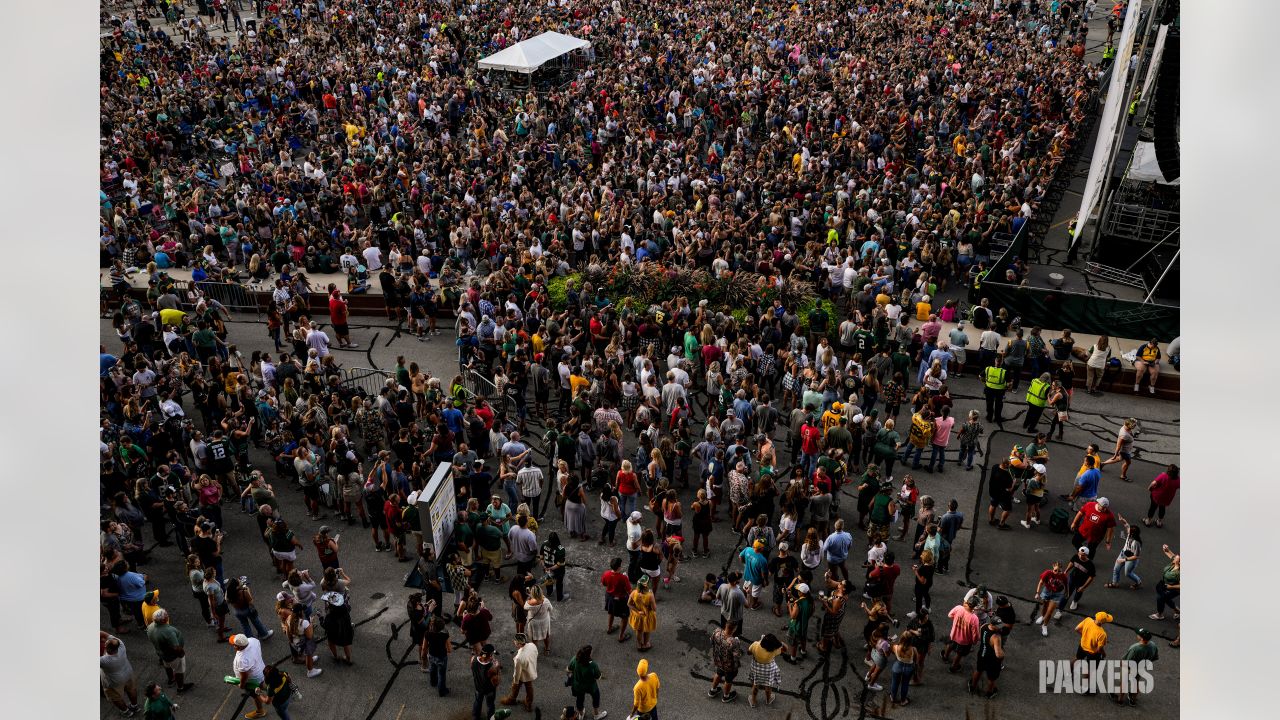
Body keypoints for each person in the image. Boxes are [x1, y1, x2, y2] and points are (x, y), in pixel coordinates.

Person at [145, 609, 194, 693]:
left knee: (167, 666)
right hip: (173, 656)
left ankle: (171, 680)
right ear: (164, 620)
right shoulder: (168, 631)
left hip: (162, 653)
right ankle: (181, 688)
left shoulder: (150, 627)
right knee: (179, 671)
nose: (168, 615)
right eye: (166, 615)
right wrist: (181, 654)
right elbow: (176, 647)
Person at [1113, 628, 1159, 706]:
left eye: (1138, 634)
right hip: (1141, 668)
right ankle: (1133, 700)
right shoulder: (1153, 645)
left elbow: (1127, 661)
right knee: (1136, 683)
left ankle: (1120, 700)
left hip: (1130, 668)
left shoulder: (1135, 648)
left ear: (1141, 637)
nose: (1137, 634)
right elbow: (1155, 657)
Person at [101, 632, 140, 717]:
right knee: (132, 689)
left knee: (115, 697)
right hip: (128, 673)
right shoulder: (121, 645)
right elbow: (107, 636)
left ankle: (126, 712)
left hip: (114, 681)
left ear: (106, 647)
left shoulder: (104, 660)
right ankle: (135, 706)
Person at [231, 634, 270, 719]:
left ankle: (260, 711)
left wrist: (242, 685)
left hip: (252, 680)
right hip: (260, 671)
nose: (233, 646)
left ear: (238, 647)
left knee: (255, 695)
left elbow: (244, 676)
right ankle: (280, 693)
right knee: (265, 685)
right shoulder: (253, 641)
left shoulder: (242, 659)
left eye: (234, 645)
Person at [968, 616, 1005, 699]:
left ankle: (972, 686)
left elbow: (980, 638)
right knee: (992, 678)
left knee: (979, 670)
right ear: (992, 624)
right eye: (998, 626)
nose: (1000, 628)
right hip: (992, 660)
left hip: (982, 653)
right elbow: (998, 654)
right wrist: (1003, 654)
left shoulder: (984, 626)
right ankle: (989, 693)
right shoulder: (996, 637)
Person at [1073, 611, 1114, 685]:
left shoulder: (1088, 620)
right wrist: (1104, 654)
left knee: (1077, 659)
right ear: (1103, 622)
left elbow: (1076, 629)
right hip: (1092, 653)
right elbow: (1099, 649)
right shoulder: (1102, 633)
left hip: (1082, 646)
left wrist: (1086, 636)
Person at [566, 645, 607, 720]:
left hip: (578, 686)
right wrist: (602, 676)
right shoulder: (592, 665)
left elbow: (568, 669)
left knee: (579, 699)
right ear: (588, 655)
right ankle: (596, 714)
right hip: (591, 686)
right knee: (596, 697)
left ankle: (581, 714)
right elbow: (598, 676)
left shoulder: (575, 659)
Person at [500, 633, 539, 711]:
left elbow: (517, 672)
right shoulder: (532, 645)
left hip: (523, 674)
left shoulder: (519, 658)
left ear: (519, 643)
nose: (513, 642)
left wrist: (515, 681)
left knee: (515, 686)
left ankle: (511, 699)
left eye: (515, 641)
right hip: (531, 670)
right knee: (529, 687)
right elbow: (536, 654)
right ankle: (528, 703)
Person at [941, 598, 980, 673]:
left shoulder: (959, 608)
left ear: (967, 602)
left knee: (950, 645)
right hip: (964, 641)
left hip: (954, 634)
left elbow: (950, 615)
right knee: (959, 654)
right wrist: (974, 642)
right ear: (975, 606)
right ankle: (953, 667)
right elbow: (975, 634)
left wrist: (956, 620)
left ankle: (945, 657)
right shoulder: (974, 618)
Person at [707, 623, 743, 703]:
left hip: (719, 661)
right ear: (734, 629)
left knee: (719, 673)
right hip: (729, 666)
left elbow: (711, 642)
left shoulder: (716, 632)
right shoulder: (734, 642)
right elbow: (737, 656)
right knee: (728, 680)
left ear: (726, 625)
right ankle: (726, 696)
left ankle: (713, 690)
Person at [747, 633, 785, 708]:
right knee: (768, 686)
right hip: (768, 671)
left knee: (755, 685)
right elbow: (785, 649)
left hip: (757, 669)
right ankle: (768, 699)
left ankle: (753, 701)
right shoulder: (775, 650)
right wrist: (782, 643)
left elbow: (748, 652)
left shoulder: (755, 644)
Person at [1148, 544, 1181, 621]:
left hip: (1173, 589)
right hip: (1165, 585)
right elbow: (1169, 553)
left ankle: (1160, 614)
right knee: (1165, 598)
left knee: (1160, 598)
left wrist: (1170, 587)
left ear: (1179, 561)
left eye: (1177, 557)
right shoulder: (1174, 563)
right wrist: (1166, 549)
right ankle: (1177, 611)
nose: (1175, 556)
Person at [471, 644, 502, 720]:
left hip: (478, 687)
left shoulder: (473, 659)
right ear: (491, 655)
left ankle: (475, 716)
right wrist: (497, 669)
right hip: (489, 690)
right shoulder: (492, 668)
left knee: (478, 702)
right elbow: (496, 683)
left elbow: (473, 669)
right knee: (490, 705)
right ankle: (490, 718)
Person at [628, 575, 658, 651]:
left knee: (639, 630)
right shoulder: (650, 595)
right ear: (647, 585)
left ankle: (639, 644)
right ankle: (645, 644)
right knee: (647, 630)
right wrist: (653, 596)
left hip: (638, 616)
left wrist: (637, 611)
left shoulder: (634, 592)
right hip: (647, 616)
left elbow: (629, 604)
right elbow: (654, 609)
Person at [1064, 546, 1098, 612]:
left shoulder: (1090, 565)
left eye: (1082, 555)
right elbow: (1071, 563)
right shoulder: (1076, 556)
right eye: (1079, 553)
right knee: (1068, 590)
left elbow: (1091, 577)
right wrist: (1066, 571)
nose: (1080, 556)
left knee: (1079, 592)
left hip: (1081, 581)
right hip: (1072, 577)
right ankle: (1065, 600)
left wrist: (1083, 587)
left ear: (1086, 555)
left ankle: (1075, 601)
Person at [980, 354, 1009, 426]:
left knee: (989, 404)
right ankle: (997, 418)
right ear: (1002, 362)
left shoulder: (988, 369)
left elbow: (980, 376)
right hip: (1000, 391)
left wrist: (985, 382)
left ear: (995, 361)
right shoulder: (1004, 371)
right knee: (999, 405)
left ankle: (989, 417)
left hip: (989, 389)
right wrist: (1007, 388)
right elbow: (1009, 383)